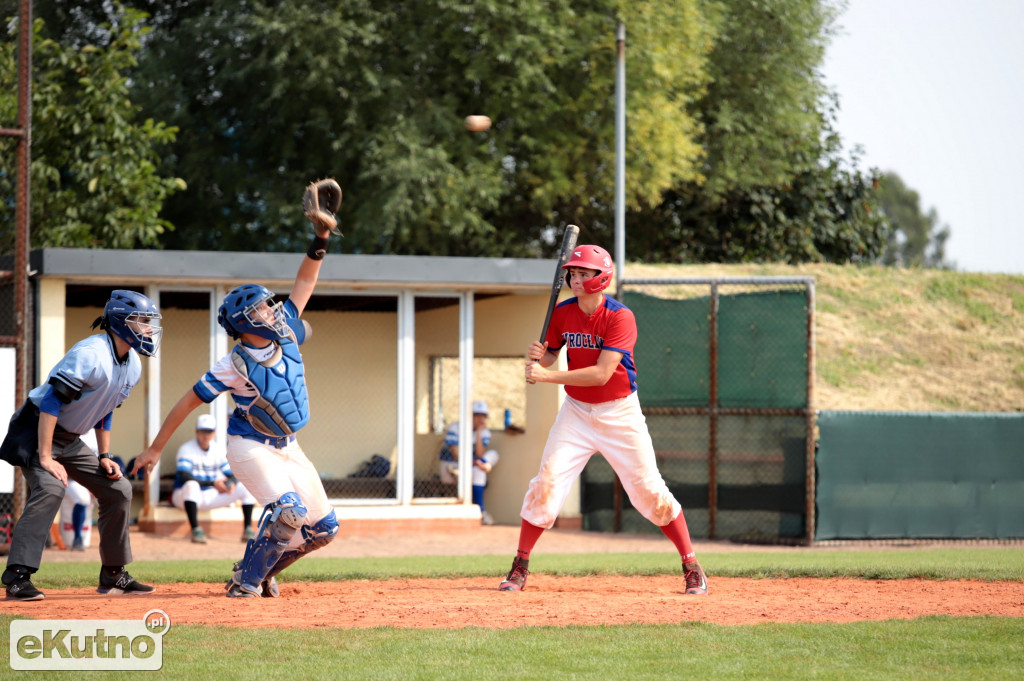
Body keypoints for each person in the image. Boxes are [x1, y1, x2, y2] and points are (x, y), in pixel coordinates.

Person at [132, 179, 342, 598]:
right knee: (290, 513)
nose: (272, 308)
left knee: (323, 530)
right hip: (249, 446)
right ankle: (244, 584)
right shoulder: (233, 365)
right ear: (247, 322)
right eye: (263, 307)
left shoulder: (284, 331)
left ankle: (258, 569)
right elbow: (186, 403)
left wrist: (320, 237)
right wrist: (155, 449)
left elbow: (305, 282)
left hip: (289, 445)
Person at [499, 244, 708, 595]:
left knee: (649, 492)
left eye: (583, 273)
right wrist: (542, 357)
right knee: (546, 484)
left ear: (602, 278)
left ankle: (691, 565)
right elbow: (550, 356)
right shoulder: (563, 313)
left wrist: (544, 375)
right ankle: (520, 566)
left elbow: (601, 374)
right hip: (577, 414)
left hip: (619, 412)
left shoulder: (620, 316)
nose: (575, 278)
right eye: (573, 273)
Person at [0, 290, 162, 600]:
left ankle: (113, 574)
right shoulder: (91, 353)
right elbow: (50, 401)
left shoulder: (134, 366)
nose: (148, 327)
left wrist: (104, 455)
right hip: (36, 428)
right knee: (51, 488)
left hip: (71, 438)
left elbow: (105, 410)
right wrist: (46, 457)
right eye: (142, 320)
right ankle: (18, 577)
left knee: (119, 489)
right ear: (120, 322)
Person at [171, 414, 257, 544]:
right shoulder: (186, 449)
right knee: (191, 485)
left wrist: (230, 483)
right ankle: (196, 530)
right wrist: (213, 483)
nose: (206, 435)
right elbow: (184, 477)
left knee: (244, 486)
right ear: (197, 431)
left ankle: (248, 529)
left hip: (208, 495)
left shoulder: (217, 449)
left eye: (209, 431)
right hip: (183, 497)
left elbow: (232, 474)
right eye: (203, 431)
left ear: (214, 432)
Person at [438, 400, 500, 525]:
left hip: (470, 468)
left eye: (483, 416)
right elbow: (456, 456)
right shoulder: (455, 428)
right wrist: (476, 463)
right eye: (477, 415)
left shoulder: (484, 432)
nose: (480, 419)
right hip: (451, 468)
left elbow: (479, 455)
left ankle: (480, 512)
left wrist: (478, 433)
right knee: (479, 469)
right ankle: (481, 512)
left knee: (492, 457)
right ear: (470, 416)